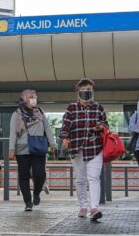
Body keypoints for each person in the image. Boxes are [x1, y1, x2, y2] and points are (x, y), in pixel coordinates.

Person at [60, 78, 106, 221]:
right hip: (77, 148)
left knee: (94, 178)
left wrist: (101, 127)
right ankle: (83, 206)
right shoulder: (71, 108)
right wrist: (64, 138)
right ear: (78, 91)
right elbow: (65, 127)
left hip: (95, 147)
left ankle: (94, 208)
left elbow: (106, 126)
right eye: (84, 89)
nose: (87, 92)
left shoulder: (98, 107)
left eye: (89, 89)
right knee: (80, 179)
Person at [9, 89, 57, 211]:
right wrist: (11, 149)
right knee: (24, 175)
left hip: (38, 147)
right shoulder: (17, 114)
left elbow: (47, 128)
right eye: (31, 97)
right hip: (22, 149)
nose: (34, 99)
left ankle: (36, 193)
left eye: (35, 97)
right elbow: (13, 133)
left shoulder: (40, 112)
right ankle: (28, 202)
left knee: (39, 174)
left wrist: (52, 143)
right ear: (24, 99)